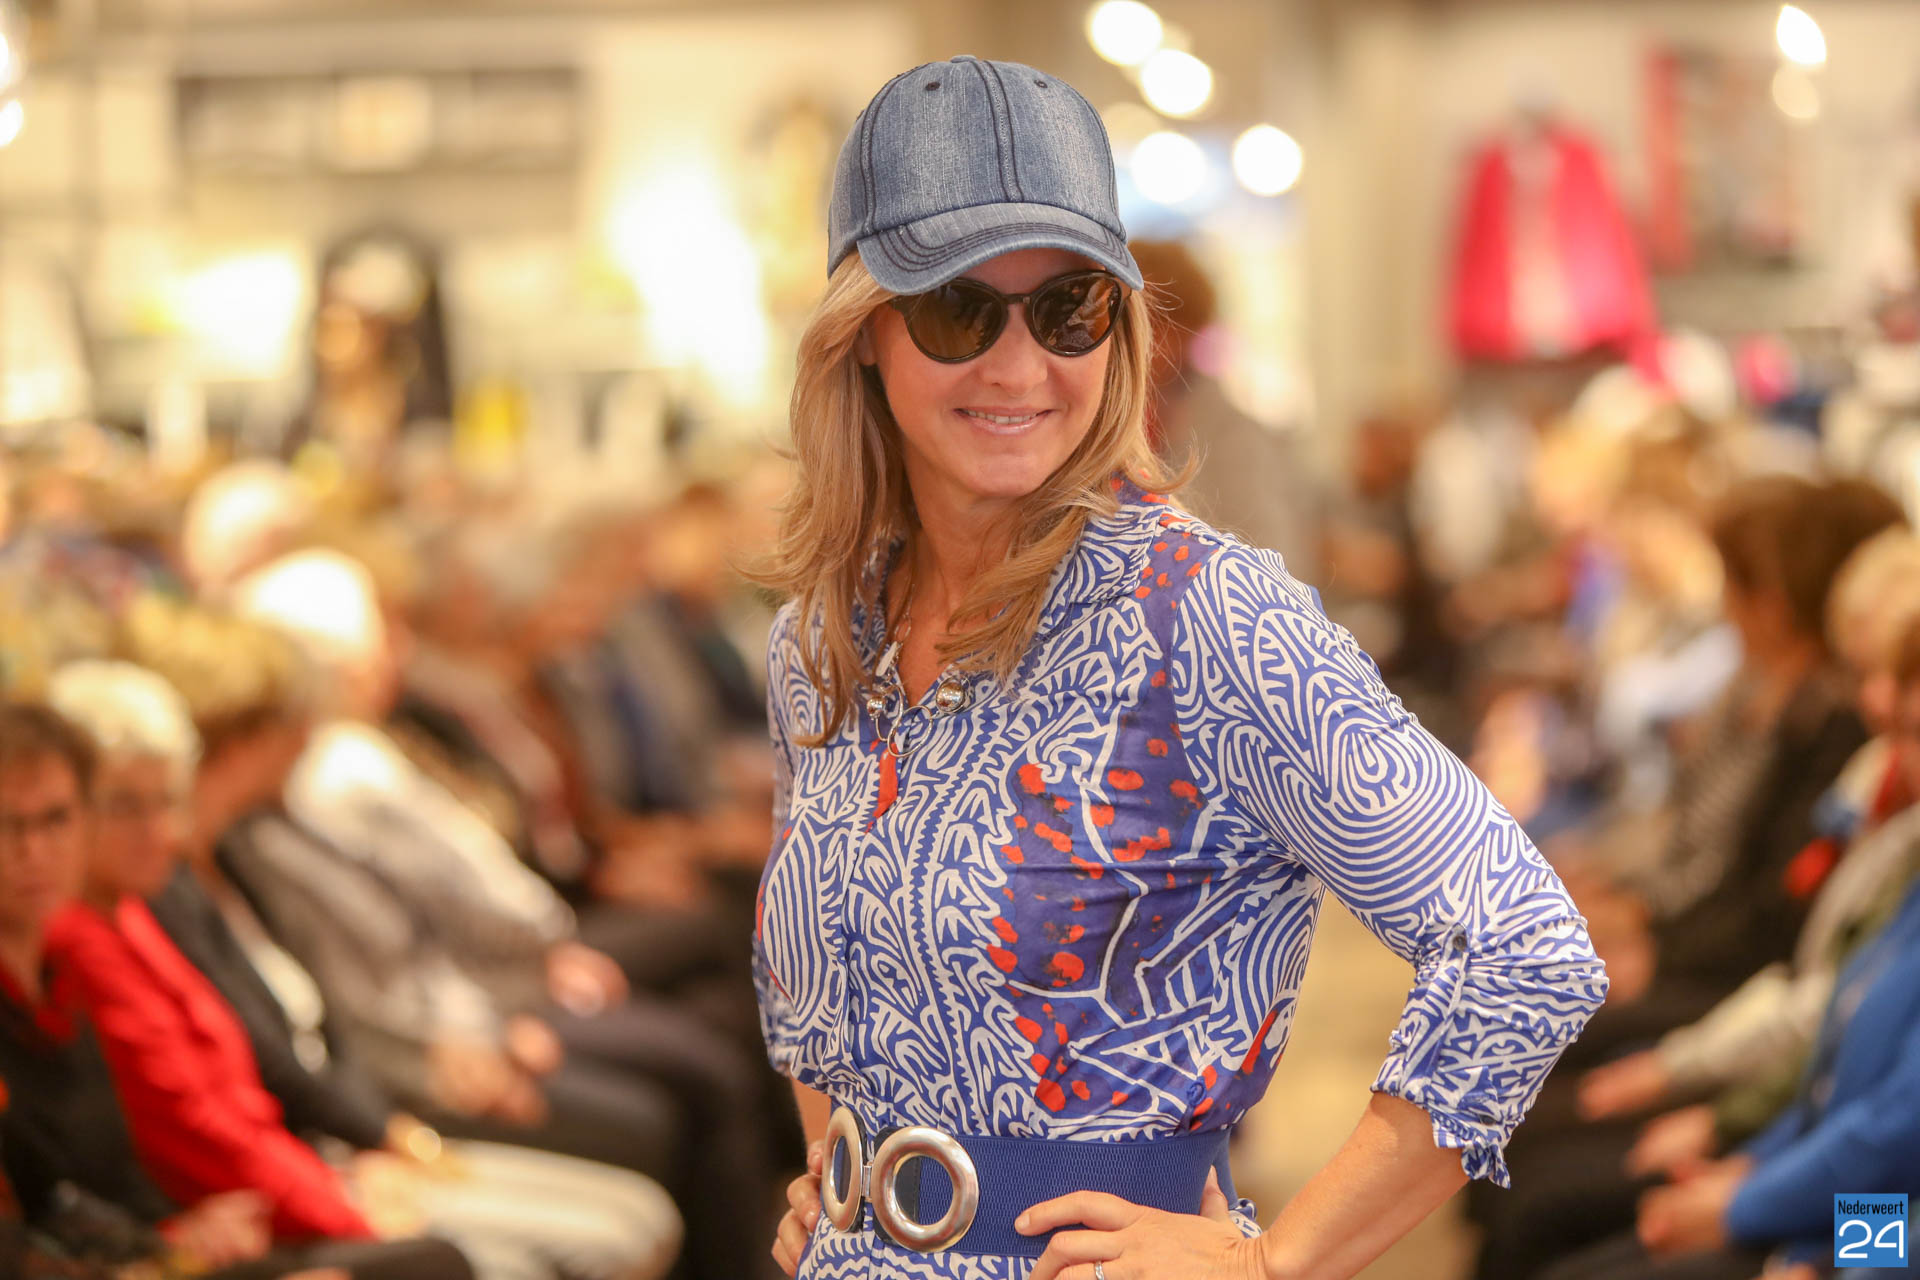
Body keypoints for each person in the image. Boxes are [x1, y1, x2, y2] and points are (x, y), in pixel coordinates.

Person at [750, 56, 1607, 1280]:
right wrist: (841, 1171)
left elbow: (1523, 946)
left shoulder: (1203, 617)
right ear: (863, 334)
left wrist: (1277, 1259)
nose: (1019, 366)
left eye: (1069, 309)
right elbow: (819, 979)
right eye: (956, 310)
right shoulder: (823, 640)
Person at [43, 659, 682, 1280]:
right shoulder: (105, 923)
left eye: (166, 801)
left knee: (637, 1209)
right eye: (126, 806)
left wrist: (389, 1135)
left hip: (322, 1151)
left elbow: (323, 1017)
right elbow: (203, 1122)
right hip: (292, 1175)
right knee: (538, 1245)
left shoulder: (158, 894)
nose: (159, 828)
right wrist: (350, 1185)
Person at [0, 703, 474, 1280]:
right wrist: (168, 1253)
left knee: (444, 1253)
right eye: (7, 825)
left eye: (55, 820)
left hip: (174, 1235)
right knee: (434, 1261)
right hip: (133, 1259)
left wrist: (172, 1241)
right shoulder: (82, 944)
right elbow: (184, 1129)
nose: (34, 850)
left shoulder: (64, 967)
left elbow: (91, 1186)